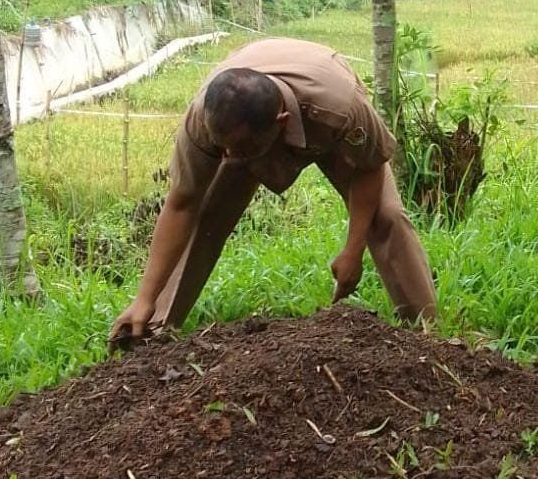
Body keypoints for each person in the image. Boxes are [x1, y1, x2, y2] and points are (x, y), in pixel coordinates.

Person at [109, 38, 437, 349]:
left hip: (321, 118)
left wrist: (353, 250)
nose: (230, 159)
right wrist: (144, 297)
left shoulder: (339, 108)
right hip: (249, 116)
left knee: (386, 216)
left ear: (281, 122)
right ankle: (151, 328)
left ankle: (424, 331)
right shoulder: (205, 121)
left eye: (242, 149)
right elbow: (182, 203)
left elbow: (370, 166)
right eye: (223, 148)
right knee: (206, 216)